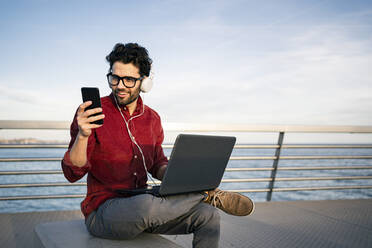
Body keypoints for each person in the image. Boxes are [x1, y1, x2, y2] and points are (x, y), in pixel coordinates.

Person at [61, 42, 254, 248]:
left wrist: (181, 177)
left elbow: (157, 165)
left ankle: (203, 197)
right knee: (146, 205)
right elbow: (73, 173)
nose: (119, 85)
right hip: (105, 212)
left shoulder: (152, 118)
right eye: (115, 78)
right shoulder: (93, 113)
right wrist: (83, 135)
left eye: (129, 79)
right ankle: (206, 195)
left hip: (146, 208)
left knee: (209, 215)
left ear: (144, 82)